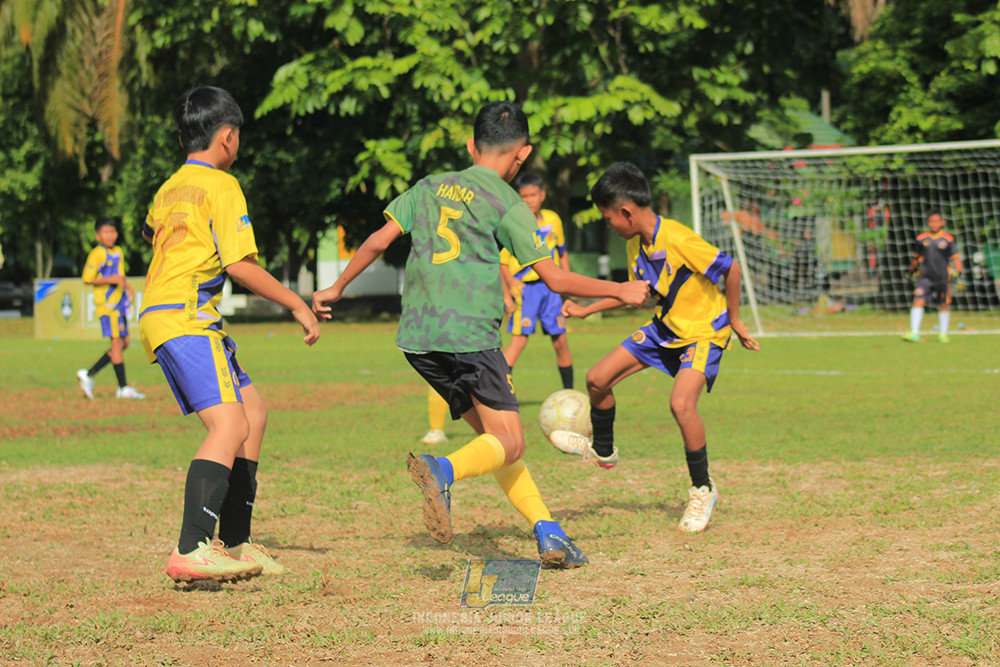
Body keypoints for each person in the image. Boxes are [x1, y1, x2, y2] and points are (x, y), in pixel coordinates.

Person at [313, 101, 648, 568]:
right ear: (523, 154)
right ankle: (441, 470)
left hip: (418, 338)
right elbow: (555, 279)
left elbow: (377, 239)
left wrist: (336, 287)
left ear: (471, 145)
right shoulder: (508, 203)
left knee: (496, 443)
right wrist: (622, 289)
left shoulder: (428, 186)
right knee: (509, 441)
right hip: (469, 336)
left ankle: (548, 530)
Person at [140, 86, 320, 583]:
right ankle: (190, 548)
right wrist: (295, 302)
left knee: (253, 413)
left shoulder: (170, 187)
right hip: (186, 316)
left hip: (167, 311)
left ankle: (235, 544)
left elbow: (151, 230)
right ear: (227, 137)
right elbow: (240, 264)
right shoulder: (222, 185)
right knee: (229, 426)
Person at [554, 162, 759, 534]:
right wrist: (586, 310)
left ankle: (702, 489)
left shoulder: (679, 240)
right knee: (597, 379)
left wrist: (735, 319)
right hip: (665, 329)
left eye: (607, 218)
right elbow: (636, 294)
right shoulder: (636, 244)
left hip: (701, 334)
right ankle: (603, 450)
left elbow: (731, 268)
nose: (608, 225)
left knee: (681, 404)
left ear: (626, 212)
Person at [500, 173, 575, 389]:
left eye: (533, 195)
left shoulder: (553, 220)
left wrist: (567, 283)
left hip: (552, 291)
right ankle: (501, 393)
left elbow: (563, 252)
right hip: (526, 291)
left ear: (542, 195)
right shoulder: (513, 224)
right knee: (519, 342)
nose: (529, 200)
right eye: (524, 196)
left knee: (560, 341)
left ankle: (569, 394)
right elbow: (502, 262)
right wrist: (509, 286)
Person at [76, 216, 145, 400]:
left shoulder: (119, 251)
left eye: (113, 231)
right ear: (98, 235)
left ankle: (88, 374)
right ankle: (123, 388)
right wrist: (110, 280)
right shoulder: (97, 253)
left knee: (125, 343)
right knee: (116, 344)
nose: (110, 235)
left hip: (118, 304)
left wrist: (128, 288)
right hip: (107, 306)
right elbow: (87, 278)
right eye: (106, 232)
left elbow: (120, 275)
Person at [902, 211, 962, 343]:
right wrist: (910, 270)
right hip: (925, 278)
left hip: (942, 278)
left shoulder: (948, 239)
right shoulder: (922, 239)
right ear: (928, 223)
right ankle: (914, 332)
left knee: (943, 304)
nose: (934, 224)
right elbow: (916, 258)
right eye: (931, 221)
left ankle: (943, 334)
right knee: (918, 301)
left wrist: (959, 273)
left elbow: (956, 259)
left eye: (936, 221)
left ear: (942, 222)